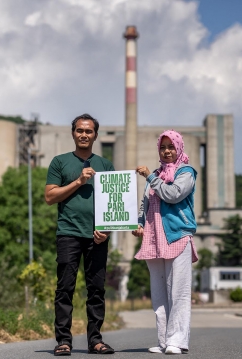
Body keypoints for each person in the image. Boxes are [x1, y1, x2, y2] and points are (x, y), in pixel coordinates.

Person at [45, 114, 116, 356]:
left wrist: (106, 231)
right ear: (73, 133)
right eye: (79, 130)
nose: (84, 134)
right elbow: (50, 197)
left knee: (96, 290)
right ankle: (63, 341)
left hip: (97, 236)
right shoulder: (60, 162)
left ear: (96, 135)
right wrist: (78, 180)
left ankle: (95, 341)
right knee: (65, 288)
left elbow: (114, 206)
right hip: (68, 234)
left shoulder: (106, 166)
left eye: (88, 131)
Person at [132, 130, 199, 355]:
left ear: (179, 148)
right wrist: (140, 223)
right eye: (163, 147)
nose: (167, 151)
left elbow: (173, 194)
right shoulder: (156, 173)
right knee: (159, 293)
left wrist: (151, 178)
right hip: (154, 238)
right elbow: (145, 202)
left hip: (177, 235)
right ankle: (164, 341)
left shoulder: (186, 173)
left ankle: (177, 341)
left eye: (171, 147)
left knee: (178, 292)